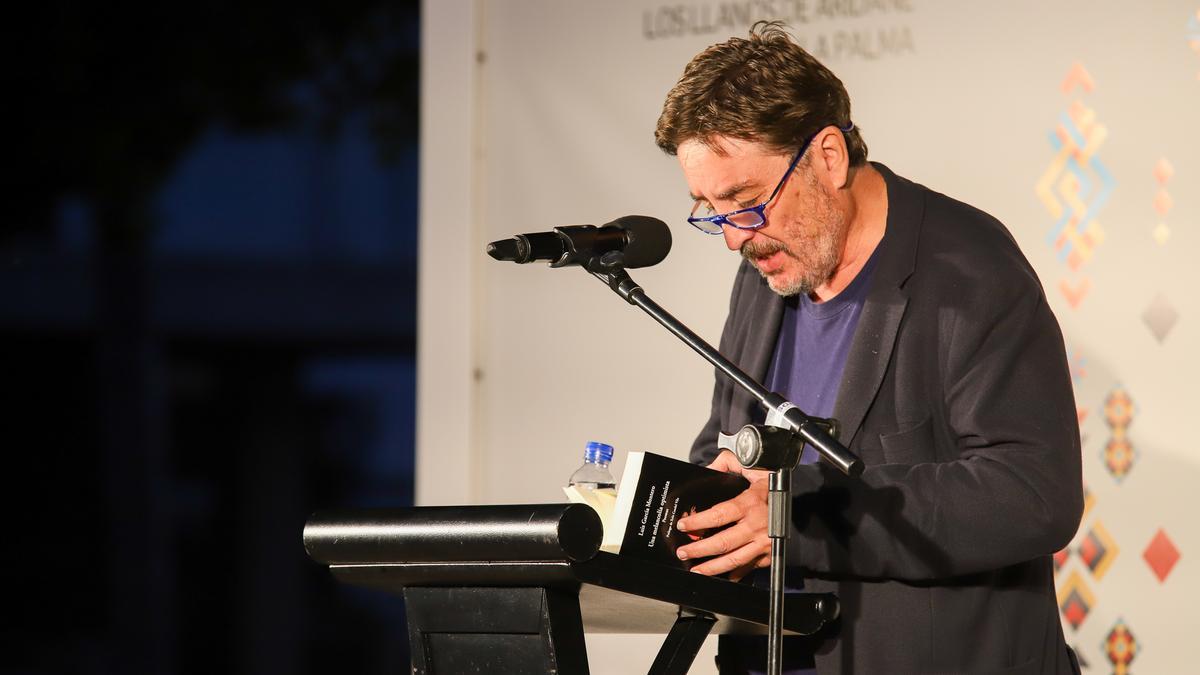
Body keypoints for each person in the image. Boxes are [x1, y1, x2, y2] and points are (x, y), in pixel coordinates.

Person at [656, 22, 1083, 674]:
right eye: (709, 210)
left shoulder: (969, 269)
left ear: (827, 156)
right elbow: (728, 439)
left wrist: (799, 515)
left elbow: (1031, 494)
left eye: (745, 202)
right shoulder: (763, 276)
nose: (733, 239)